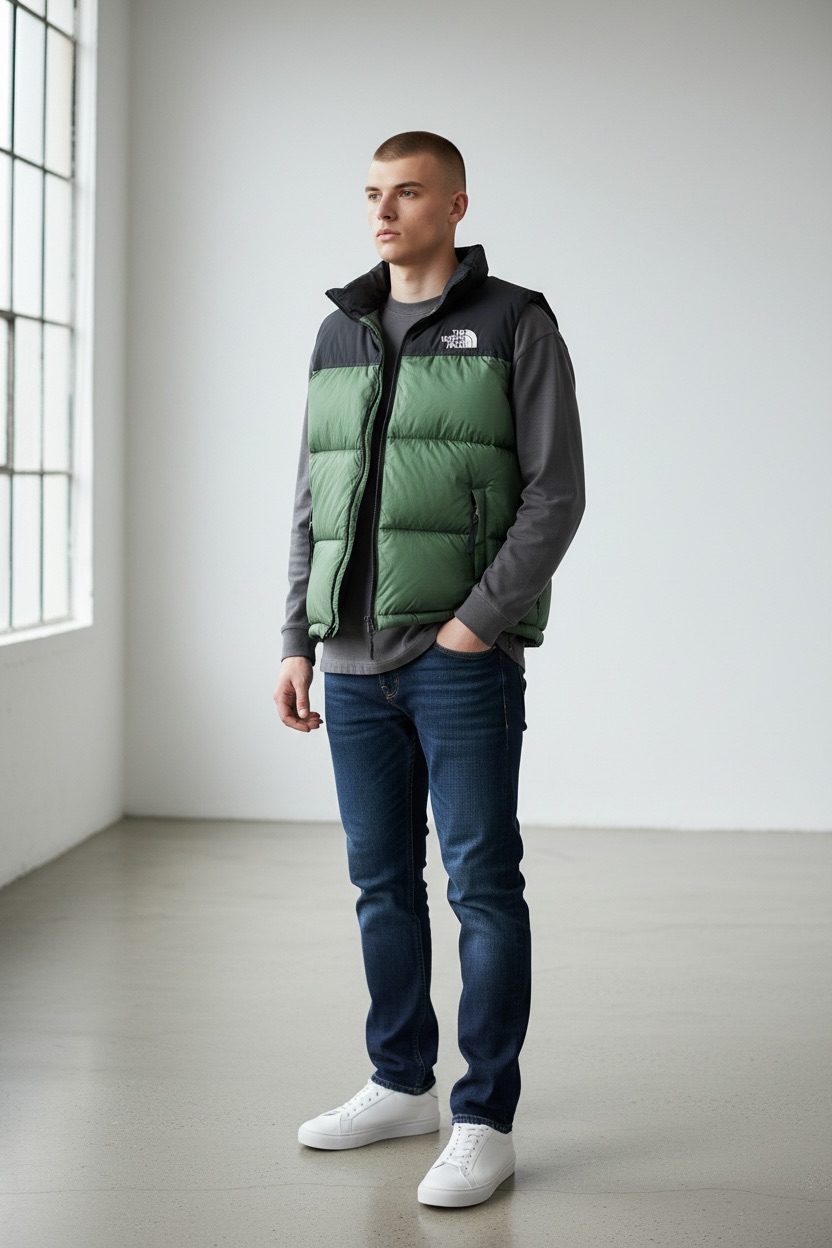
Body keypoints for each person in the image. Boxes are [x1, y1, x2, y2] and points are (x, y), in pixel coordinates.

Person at [274, 130, 585, 1209]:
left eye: (406, 192)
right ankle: (401, 1081)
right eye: (372, 192)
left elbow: (556, 492)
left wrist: (475, 626)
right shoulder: (338, 332)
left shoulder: (514, 322)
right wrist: (296, 638)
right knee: (380, 885)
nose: (383, 210)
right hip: (350, 662)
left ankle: (483, 1116)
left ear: (455, 205)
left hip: (458, 661)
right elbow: (313, 500)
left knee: (481, 887)